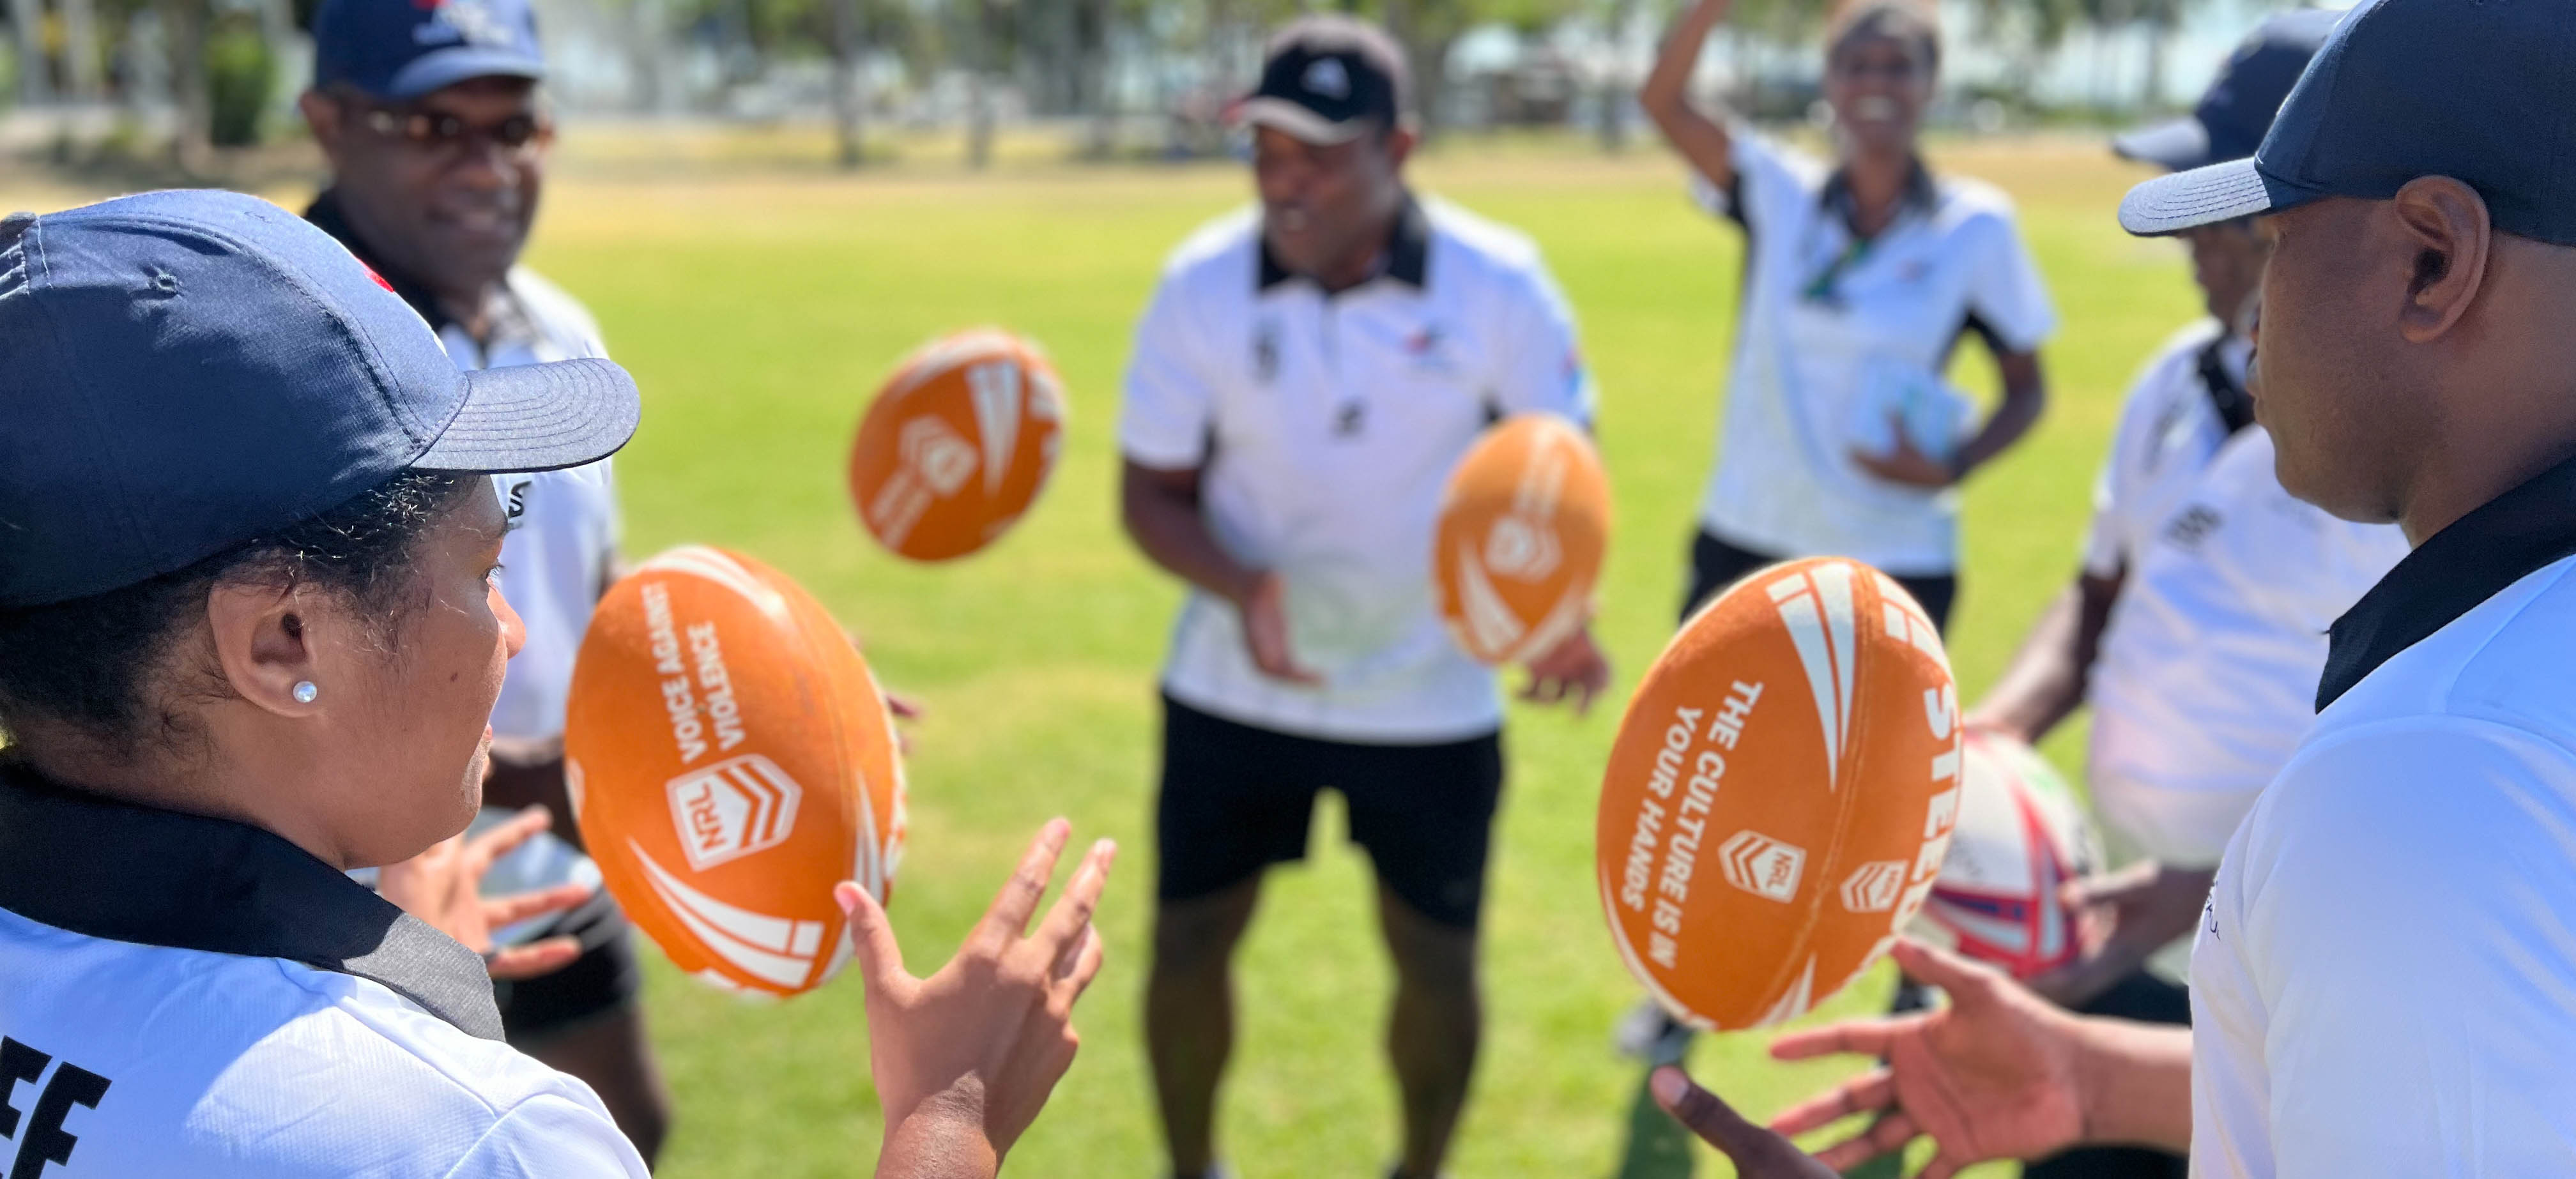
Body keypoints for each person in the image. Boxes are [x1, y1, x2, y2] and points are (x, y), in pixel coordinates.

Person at [0, 190, 1108, 1177]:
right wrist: (948, 1121)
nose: (520, 634)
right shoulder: (475, 1137)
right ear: (284, 639)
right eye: (484, 575)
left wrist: (381, 984)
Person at [1645, 0, 2576, 1174]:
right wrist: (2092, 1080)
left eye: (2277, 238)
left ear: (2431, 259)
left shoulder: (2432, 777)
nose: (2247, 307)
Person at [1117, 17, 1607, 1179]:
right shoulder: (1198, 285)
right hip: (1236, 682)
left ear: (1403, 146)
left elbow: (1558, 475)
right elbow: (1149, 496)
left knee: (1436, 962)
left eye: (1320, 155)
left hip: (1429, 692)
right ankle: (1192, 1172)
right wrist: (1241, 584)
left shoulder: (1500, 285)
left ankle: (1417, 1171)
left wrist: (1557, 609)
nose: (1286, 182)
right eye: (1267, 151)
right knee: (1187, 942)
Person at [1961, 14, 2404, 1176]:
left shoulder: (2384, 448)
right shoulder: (2170, 376)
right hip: (2103, 927)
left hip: (2275, 963)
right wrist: (1990, 736)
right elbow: (2095, 597)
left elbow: (2403, 772)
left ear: (2297, 215)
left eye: (2215, 203)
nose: (2189, 237)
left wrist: (2206, 887)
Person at [294, 0, 668, 1150]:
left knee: (625, 1131)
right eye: (433, 126)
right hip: (352, 895)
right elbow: (281, 661)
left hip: (555, 854)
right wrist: (530, 778)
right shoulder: (289, 354)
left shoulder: (561, 330)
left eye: (514, 128)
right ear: (328, 121)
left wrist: (748, 662)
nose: (487, 164)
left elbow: (584, 575)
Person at [1641, 0, 2054, 632]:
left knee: (1874, 739)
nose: (1876, 83)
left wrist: (1953, 465)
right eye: (1856, 65)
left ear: (1932, 83)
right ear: (1829, 83)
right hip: (1749, 537)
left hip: (1892, 559)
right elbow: (1665, 105)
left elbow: (2027, 391)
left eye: (1898, 67)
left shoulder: (1974, 225)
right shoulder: (1779, 192)